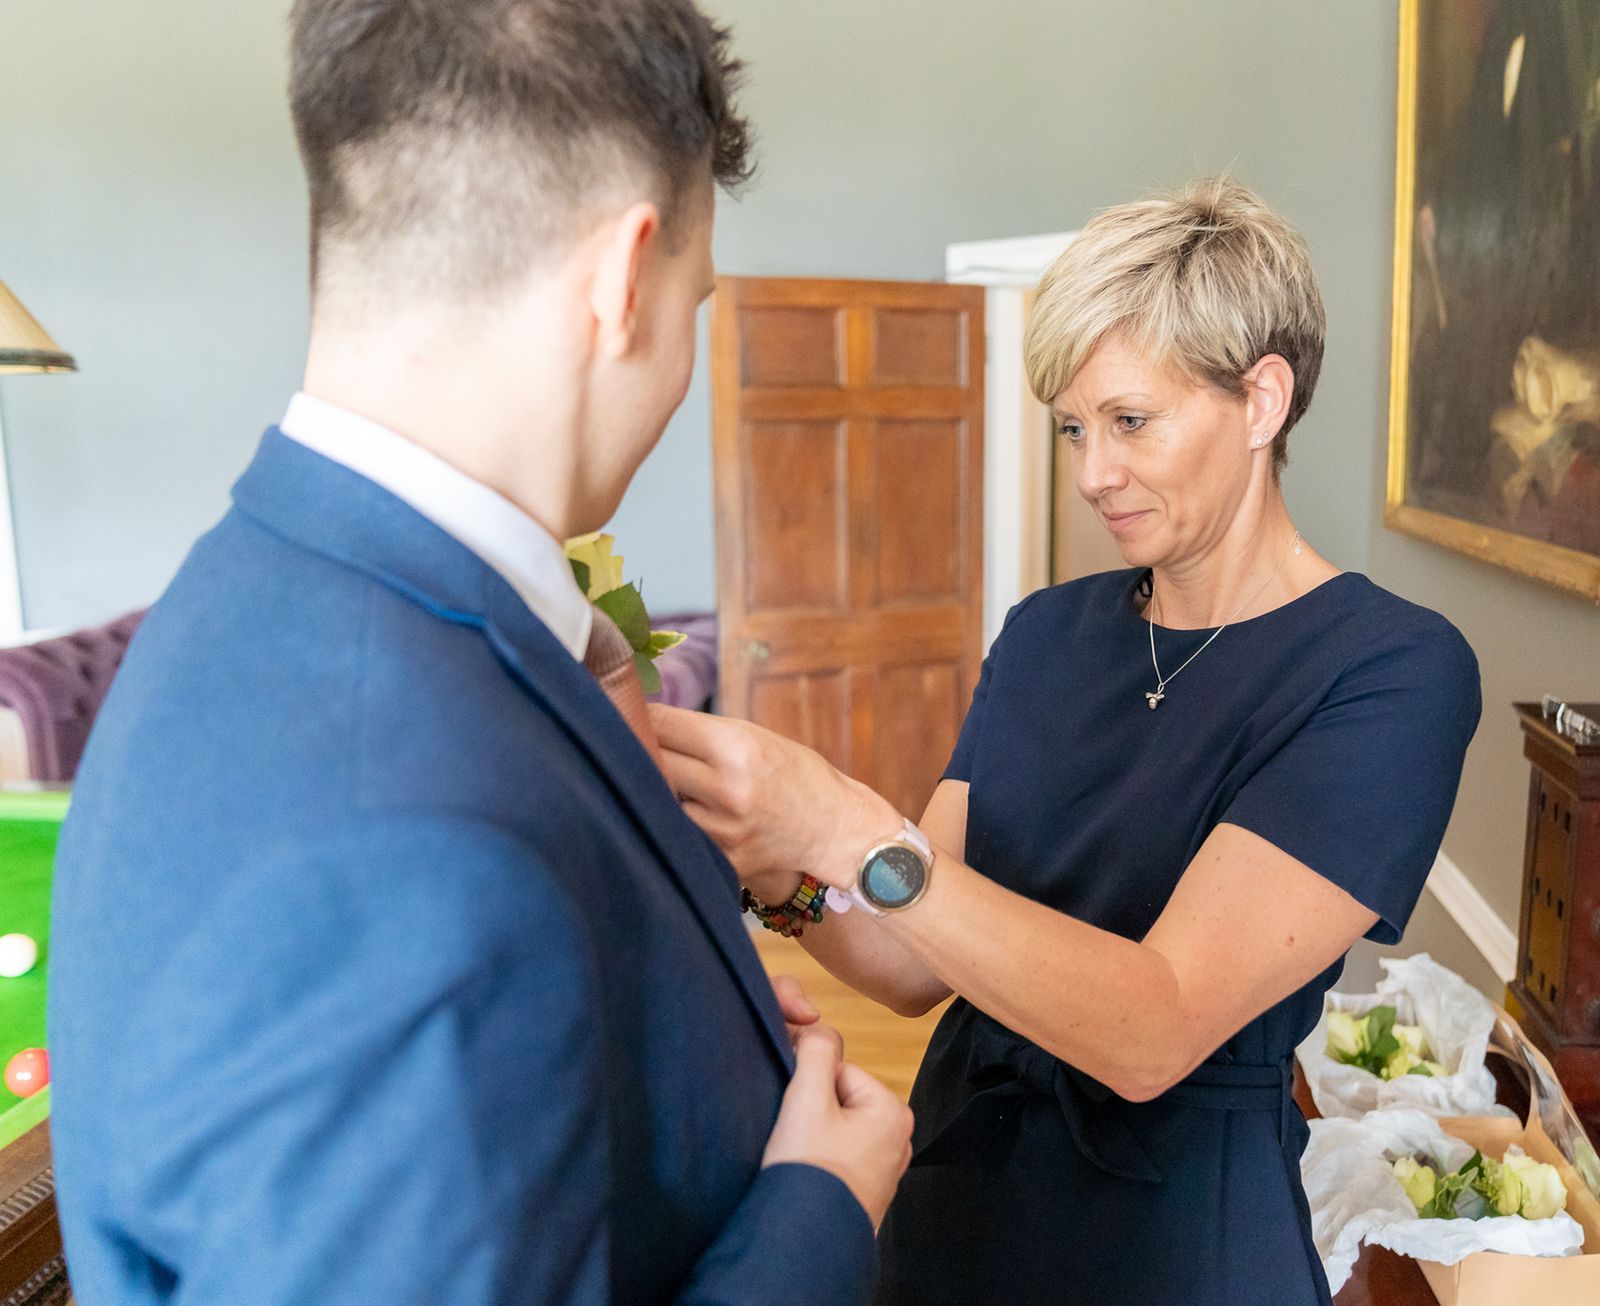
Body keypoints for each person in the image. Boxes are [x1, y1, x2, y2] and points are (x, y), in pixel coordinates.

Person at [48, 2, 911, 1302]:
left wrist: (699, 1056)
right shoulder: (394, 849)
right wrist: (817, 1208)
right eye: (698, 301)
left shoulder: (270, 580)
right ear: (625, 282)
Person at [656, 179, 1482, 1304]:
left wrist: (847, 829)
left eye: (1131, 420)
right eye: (1074, 427)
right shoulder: (1046, 633)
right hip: (956, 1191)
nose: (1093, 471)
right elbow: (906, 963)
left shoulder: (1389, 670)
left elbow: (1156, 1025)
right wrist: (763, 860)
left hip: (1175, 1233)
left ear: (1262, 399)